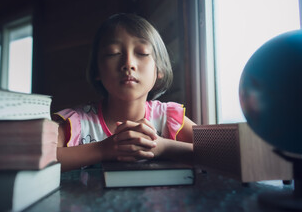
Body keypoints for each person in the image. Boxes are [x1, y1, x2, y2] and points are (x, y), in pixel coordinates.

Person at [53, 13, 196, 172]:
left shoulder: (168, 118)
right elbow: (39, 158)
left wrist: (164, 147)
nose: (128, 63)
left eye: (142, 53)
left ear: (159, 69)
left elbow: (219, 153)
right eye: (113, 53)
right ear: (97, 70)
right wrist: (103, 150)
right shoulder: (76, 123)